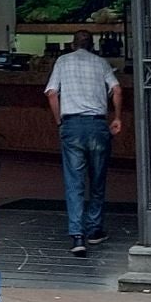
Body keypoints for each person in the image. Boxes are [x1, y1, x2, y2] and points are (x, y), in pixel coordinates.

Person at [44, 29, 122, 256]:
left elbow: (51, 93)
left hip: (72, 126)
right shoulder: (101, 63)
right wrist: (116, 117)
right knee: (98, 180)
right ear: (92, 45)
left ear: (72, 44)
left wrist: (60, 121)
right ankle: (95, 230)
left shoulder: (62, 61)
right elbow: (116, 89)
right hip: (98, 125)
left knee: (74, 182)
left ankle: (77, 236)